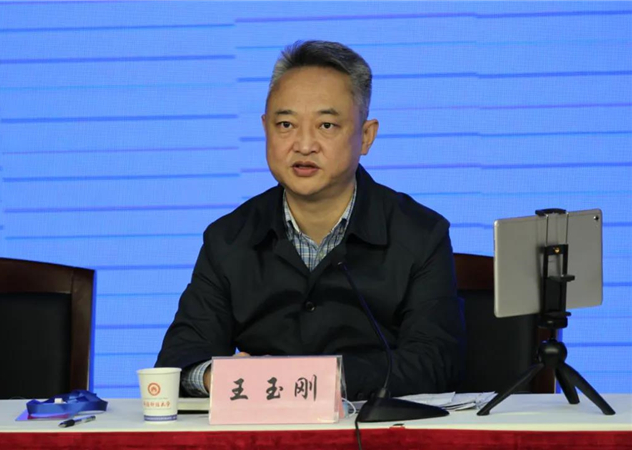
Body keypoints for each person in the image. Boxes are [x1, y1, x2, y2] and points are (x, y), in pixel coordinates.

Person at [156, 40, 465, 401]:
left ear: (366, 136)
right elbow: (179, 363)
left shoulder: (420, 234)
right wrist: (216, 378)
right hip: (263, 428)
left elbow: (435, 364)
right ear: (266, 129)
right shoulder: (228, 238)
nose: (304, 145)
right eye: (286, 124)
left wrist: (309, 380)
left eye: (326, 125)